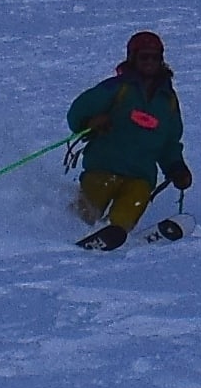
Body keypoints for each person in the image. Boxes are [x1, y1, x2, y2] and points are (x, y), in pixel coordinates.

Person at [63, 30, 193, 250]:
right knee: (82, 215)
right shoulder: (115, 88)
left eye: (155, 57)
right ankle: (64, 238)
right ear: (133, 58)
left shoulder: (168, 101)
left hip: (140, 178)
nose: (150, 62)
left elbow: (170, 143)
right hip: (104, 169)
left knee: (123, 219)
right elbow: (76, 113)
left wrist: (176, 167)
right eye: (144, 57)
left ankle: (112, 237)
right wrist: (90, 122)